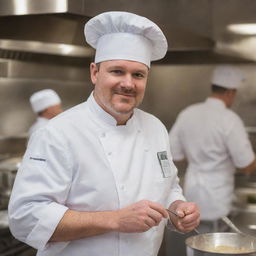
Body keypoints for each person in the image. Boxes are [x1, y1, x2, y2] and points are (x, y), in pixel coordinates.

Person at [8, 11, 200, 256]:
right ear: (94, 73)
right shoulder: (57, 133)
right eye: (117, 71)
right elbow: (25, 218)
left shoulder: (156, 128)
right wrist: (116, 220)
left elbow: (168, 186)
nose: (128, 83)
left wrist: (178, 208)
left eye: (138, 74)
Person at [169, 65, 256, 233]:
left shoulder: (188, 113)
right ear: (231, 93)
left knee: (193, 240)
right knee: (215, 243)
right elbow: (246, 164)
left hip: (191, 193)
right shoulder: (230, 119)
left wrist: (198, 157)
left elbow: (175, 154)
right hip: (217, 197)